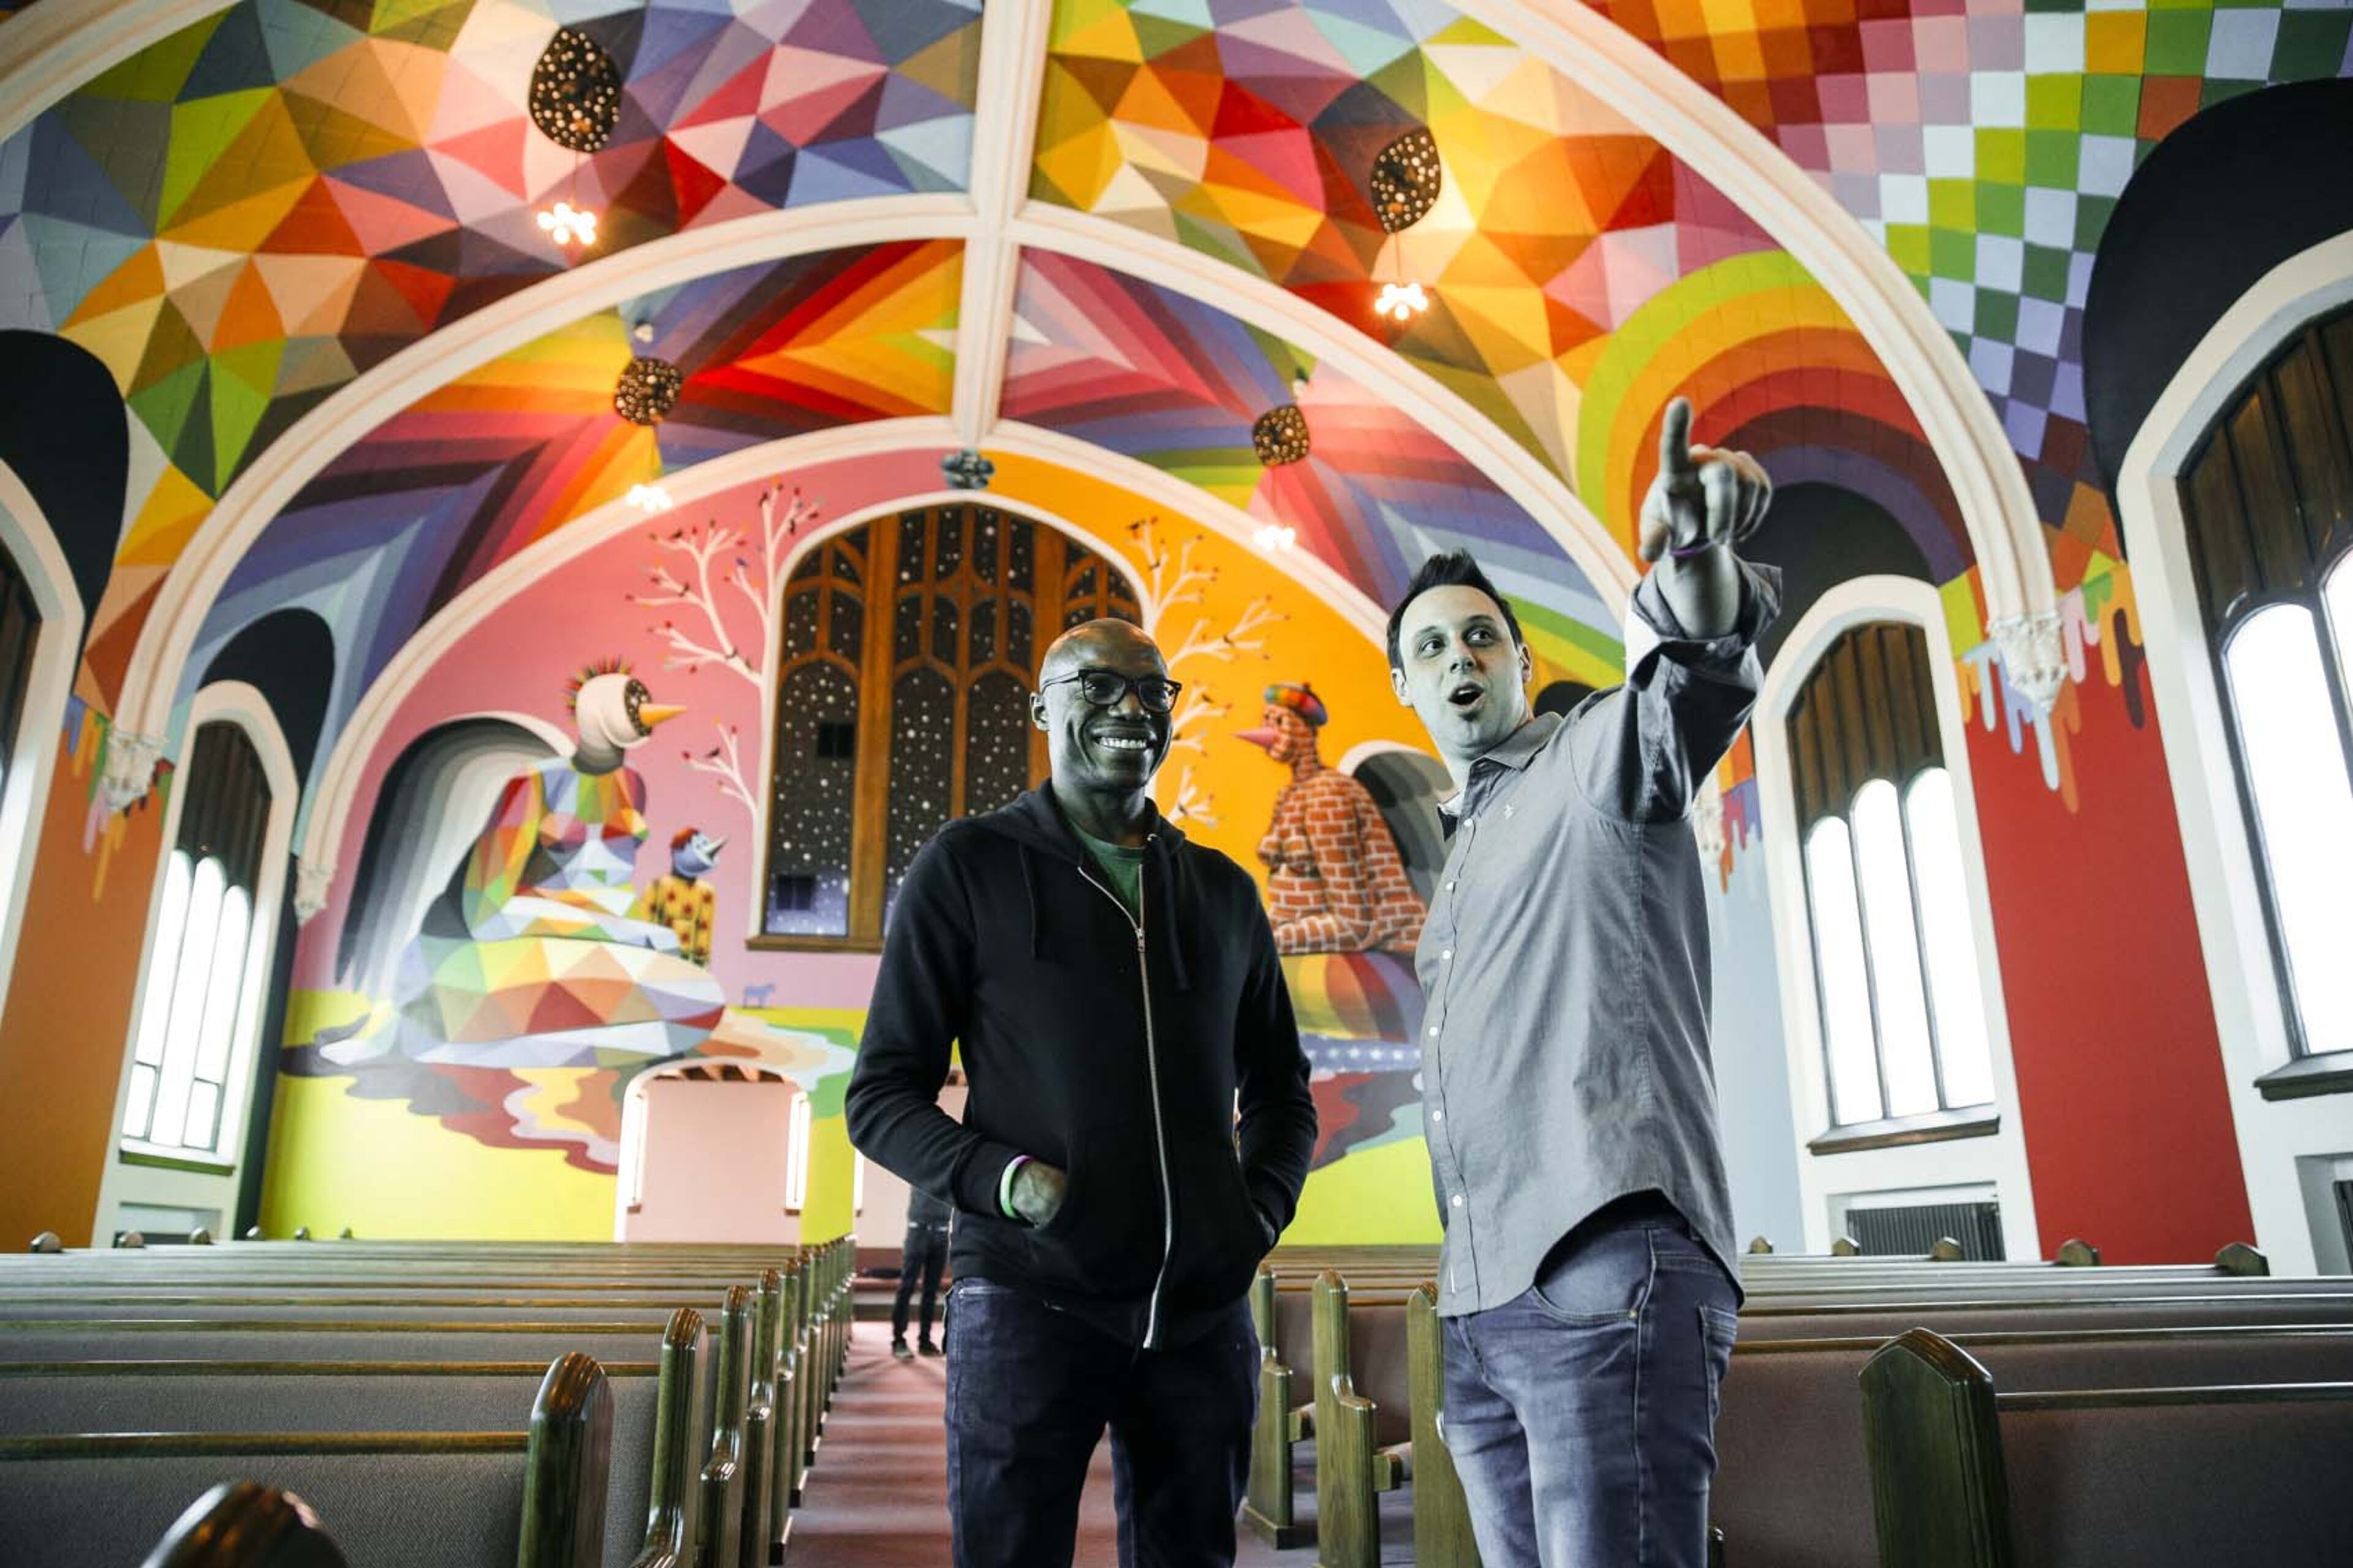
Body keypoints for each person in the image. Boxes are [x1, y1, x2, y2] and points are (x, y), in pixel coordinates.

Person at [1385, 396, 1779, 1567]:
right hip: (1482, 1296)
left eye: (1482, 636)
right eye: (1431, 647)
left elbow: (1692, 685)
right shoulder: (1457, 866)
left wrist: (1693, 564)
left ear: (1521, 659)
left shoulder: (1589, 758)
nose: (1460, 656)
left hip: (1605, 1263)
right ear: (1405, 691)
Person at [845, 616, 1319, 1568]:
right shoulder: (968, 865)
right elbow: (882, 1094)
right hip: (1029, 1294)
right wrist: (1007, 1180)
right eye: (1098, 686)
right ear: (1042, 708)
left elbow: (1283, 1089)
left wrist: (1256, 1210)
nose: (1131, 709)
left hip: (1199, 1310)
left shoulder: (1222, 891)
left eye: (1153, 691)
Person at [891, 1184, 953, 1359]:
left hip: (941, 1233)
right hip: (918, 1231)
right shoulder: (924, 1161)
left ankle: (925, 1341)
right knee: (907, 1287)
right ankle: (898, 1340)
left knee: (931, 1291)